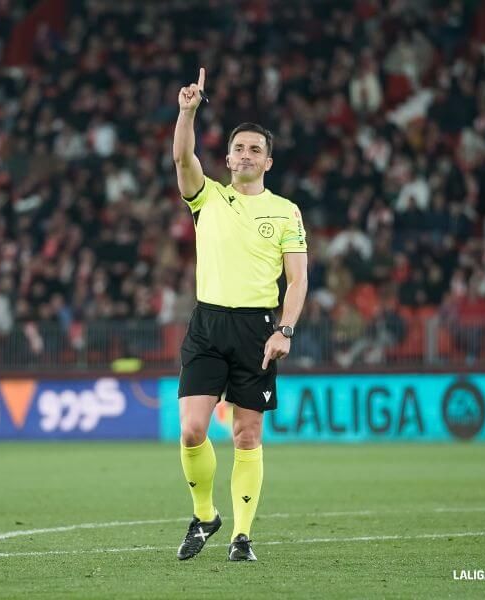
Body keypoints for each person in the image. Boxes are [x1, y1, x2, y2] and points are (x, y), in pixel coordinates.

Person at [172, 68, 309, 562]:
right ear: (227, 158)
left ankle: (242, 536)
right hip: (208, 324)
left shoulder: (286, 211)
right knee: (192, 429)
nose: (246, 155)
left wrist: (285, 330)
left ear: (267, 161)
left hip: (257, 328)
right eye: (239, 149)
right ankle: (205, 514)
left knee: (247, 433)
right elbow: (182, 156)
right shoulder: (207, 196)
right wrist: (187, 112)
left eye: (255, 149)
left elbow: (297, 281)